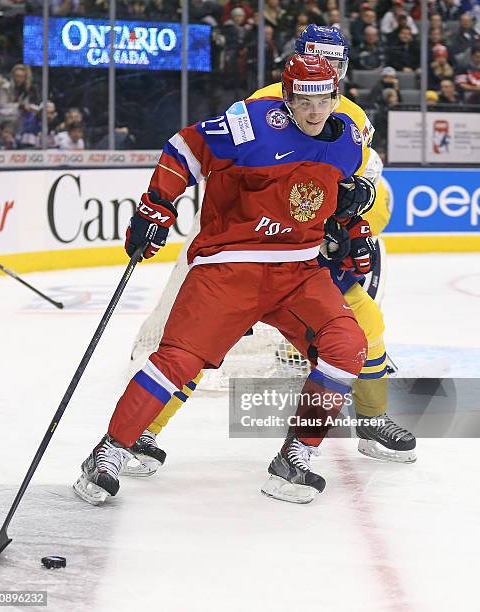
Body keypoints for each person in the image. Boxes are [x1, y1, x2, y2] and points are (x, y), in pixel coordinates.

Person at [74, 55, 376, 506]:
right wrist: (157, 206)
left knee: (348, 345)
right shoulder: (253, 124)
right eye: (303, 101)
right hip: (229, 267)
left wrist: (353, 230)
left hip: (298, 270)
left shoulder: (350, 140)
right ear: (287, 97)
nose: (314, 112)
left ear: (337, 95)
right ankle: (109, 450)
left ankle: (295, 456)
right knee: (177, 360)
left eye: (324, 100)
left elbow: (338, 194)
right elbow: (184, 147)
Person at [127, 25, 416, 481]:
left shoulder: (351, 115)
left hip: (305, 257)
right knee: (199, 346)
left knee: (366, 328)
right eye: (322, 68)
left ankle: (371, 419)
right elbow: (210, 161)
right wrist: (159, 206)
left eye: (338, 67)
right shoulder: (262, 106)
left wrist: (353, 225)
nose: (321, 98)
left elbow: (357, 187)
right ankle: (143, 431)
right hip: (239, 251)